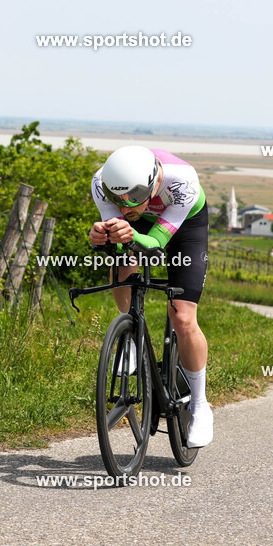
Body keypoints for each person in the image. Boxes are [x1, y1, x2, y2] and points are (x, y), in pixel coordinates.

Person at [89, 146, 212, 447]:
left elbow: (156, 243)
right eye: (119, 198)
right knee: (122, 264)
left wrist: (129, 235)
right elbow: (119, 243)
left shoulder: (182, 182)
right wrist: (102, 237)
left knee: (182, 316)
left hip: (184, 229)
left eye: (134, 197)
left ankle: (200, 404)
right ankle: (130, 335)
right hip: (139, 228)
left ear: (155, 183)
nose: (126, 205)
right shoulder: (100, 184)